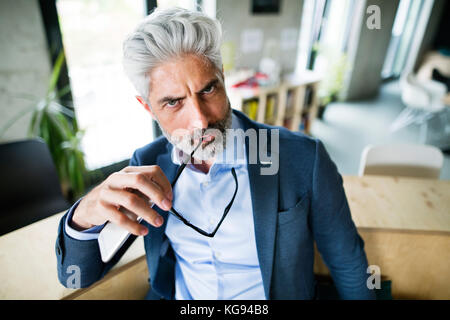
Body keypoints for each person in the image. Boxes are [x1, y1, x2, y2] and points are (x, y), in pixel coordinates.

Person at [55, 7, 375, 300]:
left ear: (222, 75)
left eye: (207, 89)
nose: (200, 120)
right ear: (148, 108)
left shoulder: (303, 157)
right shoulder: (148, 163)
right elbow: (76, 279)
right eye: (173, 102)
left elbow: (348, 263)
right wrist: (84, 215)